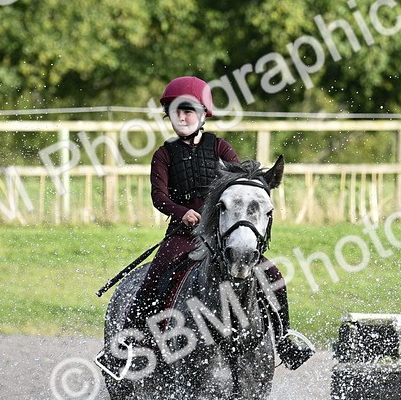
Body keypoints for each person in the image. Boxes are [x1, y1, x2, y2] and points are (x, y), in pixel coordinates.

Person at [96, 75, 313, 377]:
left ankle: (284, 339)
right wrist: (182, 212)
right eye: (176, 112)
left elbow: (239, 185)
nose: (182, 117)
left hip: (221, 235)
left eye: (188, 111)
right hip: (183, 235)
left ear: (202, 115)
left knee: (272, 274)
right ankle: (128, 346)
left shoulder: (221, 148)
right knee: (154, 276)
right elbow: (159, 197)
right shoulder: (163, 155)